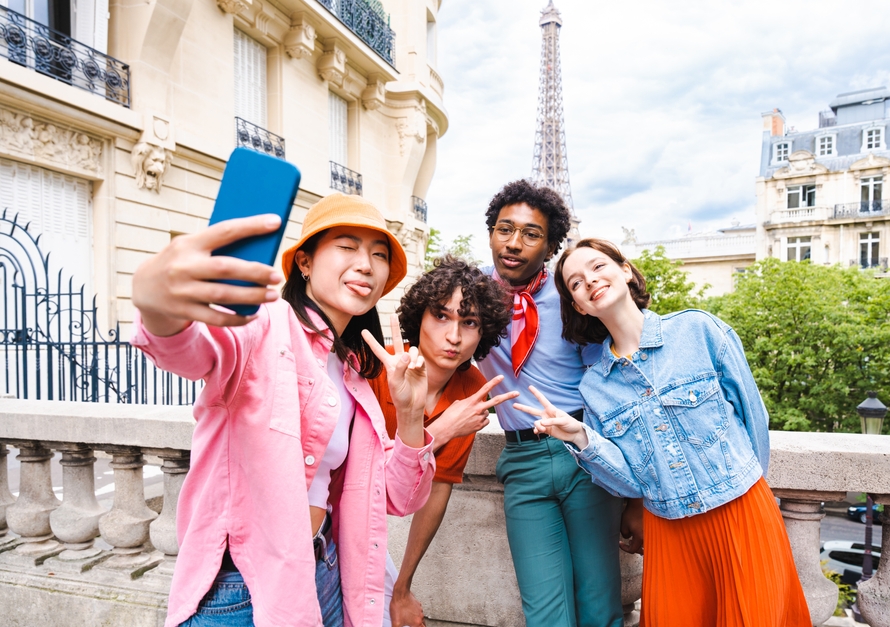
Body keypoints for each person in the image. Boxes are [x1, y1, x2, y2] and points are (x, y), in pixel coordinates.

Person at [130, 193, 437, 627]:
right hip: (244, 590)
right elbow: (194, 350)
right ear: (305, 263)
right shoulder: (265, 321)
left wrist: (410, 414)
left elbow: (399, 497)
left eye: (379, 254)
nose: (366, 264)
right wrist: (157, 307)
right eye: (347, 247)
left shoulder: (353, 371)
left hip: (325, 577)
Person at [516, 238, 812, 627]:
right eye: (575, 283)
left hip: (741, 514)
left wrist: (745, 493)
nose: (589, 281)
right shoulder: (595, 387)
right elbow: (628, 483)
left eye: (598, 267)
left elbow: (755, 420)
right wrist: (579, 436)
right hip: (668, 533)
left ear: (625, 270)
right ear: (578, 305)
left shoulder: (698, 330)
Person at [476, 181, 633, 627]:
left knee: (600, 605)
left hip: (583, 452)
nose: (513, 242)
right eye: (505, 229)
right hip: (522, 458)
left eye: (531, 234)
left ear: (548, 246)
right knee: (544, 614)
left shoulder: (572, 296)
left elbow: (610, 377)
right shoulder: (471, 296)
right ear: (491, 233)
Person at [369, 256, 516, 627]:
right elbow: (360, 478)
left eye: (469, 323)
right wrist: (443, 430)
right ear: (418, 317)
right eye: (441, 316)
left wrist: (403, 588)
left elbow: (437, 489)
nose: (454, 337)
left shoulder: (469, 389)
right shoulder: (377, 369)